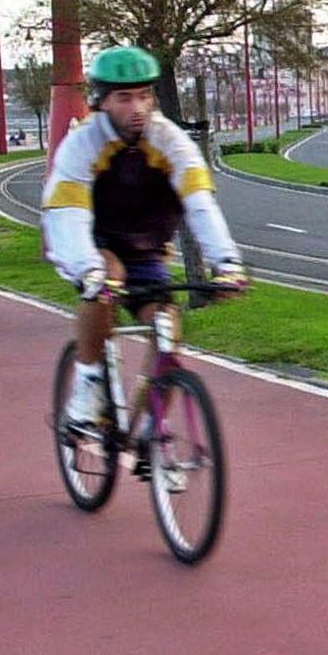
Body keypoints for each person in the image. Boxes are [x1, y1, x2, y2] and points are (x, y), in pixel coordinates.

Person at [40, 45, 250, 434]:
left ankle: (150, 427)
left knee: (168, 327)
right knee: (108, 277)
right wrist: (87, 269)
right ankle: (87, 386)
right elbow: (68, 214)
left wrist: (227, 264)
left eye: (144, 96)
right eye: (124, 98)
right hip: (94, 240)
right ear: (101, 102)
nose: (137, 107)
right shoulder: (82, 144)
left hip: (148, 247)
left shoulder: (170, 141)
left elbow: (200, 204)